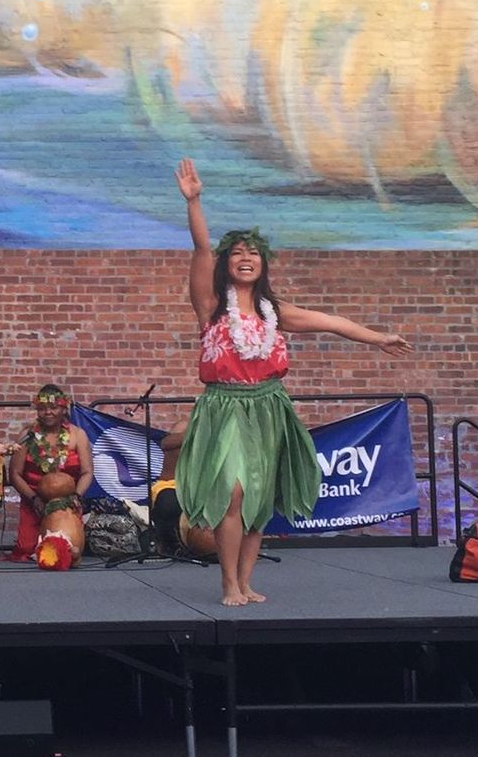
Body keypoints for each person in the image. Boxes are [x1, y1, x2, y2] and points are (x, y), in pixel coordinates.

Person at [173, 157, 413, 605]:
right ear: (228, 263)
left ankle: (246, 581)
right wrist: (195, 202)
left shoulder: (274, 313)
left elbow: (330, 322)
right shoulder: (210, 307)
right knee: (234, 493)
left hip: (269, 407)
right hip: (225, 408)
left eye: (254, 253)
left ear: (263, 264)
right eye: (238, 253)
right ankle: (227, 583)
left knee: (260, 499)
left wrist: (378, 338)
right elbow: (202, 250)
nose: (246, 259)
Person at [9, 383, 94, 559]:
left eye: (53, 407)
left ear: (64, 408)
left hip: (67, 501)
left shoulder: (78, 435)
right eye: (42, 408)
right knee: (28, 549)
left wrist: (76, 496)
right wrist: (34, 499)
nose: (48, 412)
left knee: (67, 548)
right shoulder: (27, 435)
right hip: (34, 500)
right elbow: (15, 474)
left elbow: (87, 472)